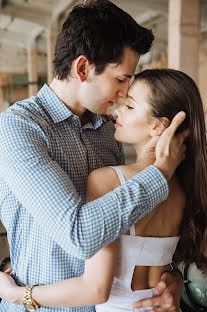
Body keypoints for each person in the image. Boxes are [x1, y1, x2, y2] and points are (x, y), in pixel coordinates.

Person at [0, 1, 187, 311]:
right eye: (120, 78)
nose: (126, 93)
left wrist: (171, 277)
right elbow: (78, 234)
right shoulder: (19, 127)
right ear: (83, 68)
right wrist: (161, 173)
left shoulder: (107, 133)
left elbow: (126, 228)